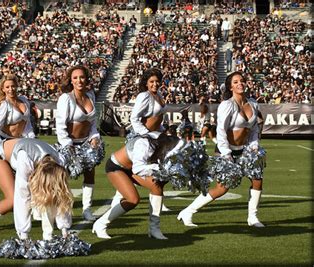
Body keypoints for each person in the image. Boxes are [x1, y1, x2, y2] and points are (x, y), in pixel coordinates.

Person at [177, 71, 265, 228]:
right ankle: (188, 211)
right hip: (226, 151)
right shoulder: (227, 105)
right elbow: (221, 131)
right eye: (236, 82)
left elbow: (253, 130)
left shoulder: (253, 103)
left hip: (246, 150)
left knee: (257, 180)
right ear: (231, 87)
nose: (240, 84)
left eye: (242, 81)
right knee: (222, 188)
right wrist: (226, 153)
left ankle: (253, 217)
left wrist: (254, 145)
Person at [0, 138, 73, 253]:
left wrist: (65, 230)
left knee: (51, 195)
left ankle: (48, 237)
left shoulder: (60, 163)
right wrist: (24, 236)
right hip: (0, 156)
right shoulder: (25, 159)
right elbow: (22, 198)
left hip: (30, 155)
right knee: (11, 200)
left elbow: (60, 196)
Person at [92, 132, 181, 240]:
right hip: (117, 167)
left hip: (131, 169)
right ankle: (100, 225)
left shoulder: (160, 140)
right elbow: (138, 168)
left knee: (156, 186)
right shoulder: (144, 144)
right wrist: (160, 169)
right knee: (133, 199)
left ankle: (154, 229)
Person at [0, 74, 36, 208]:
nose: (11, 89)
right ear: (3, 89)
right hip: (5, 142)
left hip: (21, 142)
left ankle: (31, 202)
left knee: (28, 171)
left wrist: (31, 138)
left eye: (13, 86)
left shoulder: (24, 101)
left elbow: (27, 125)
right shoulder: (4, 105)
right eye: (8, 87)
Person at [56, 65, 101, 221]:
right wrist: (68, 146)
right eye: (75, 78)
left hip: (86, 144)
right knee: (63, 178)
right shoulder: (66, 98)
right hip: (69, 145)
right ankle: (61, 211)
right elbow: (60, 126)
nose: (79, 80)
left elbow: (92, 123)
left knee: (90, 175)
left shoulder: (91, 96)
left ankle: (87, 210)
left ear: (86, 79)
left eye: (81, 77)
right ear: (71, 80)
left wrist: (94, 137)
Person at [128, 68, 171, 211]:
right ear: (146, 83)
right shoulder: (144, 96)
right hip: (144, 139)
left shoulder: (158, 94)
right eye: (151, 81)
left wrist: (162, 132)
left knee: (163, 172)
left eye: (157, 81)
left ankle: (159, 200)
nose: (155, 84)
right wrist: (146, 134)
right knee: (143, 170)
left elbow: (156, 119)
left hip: (155, 138)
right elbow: (134, 118)